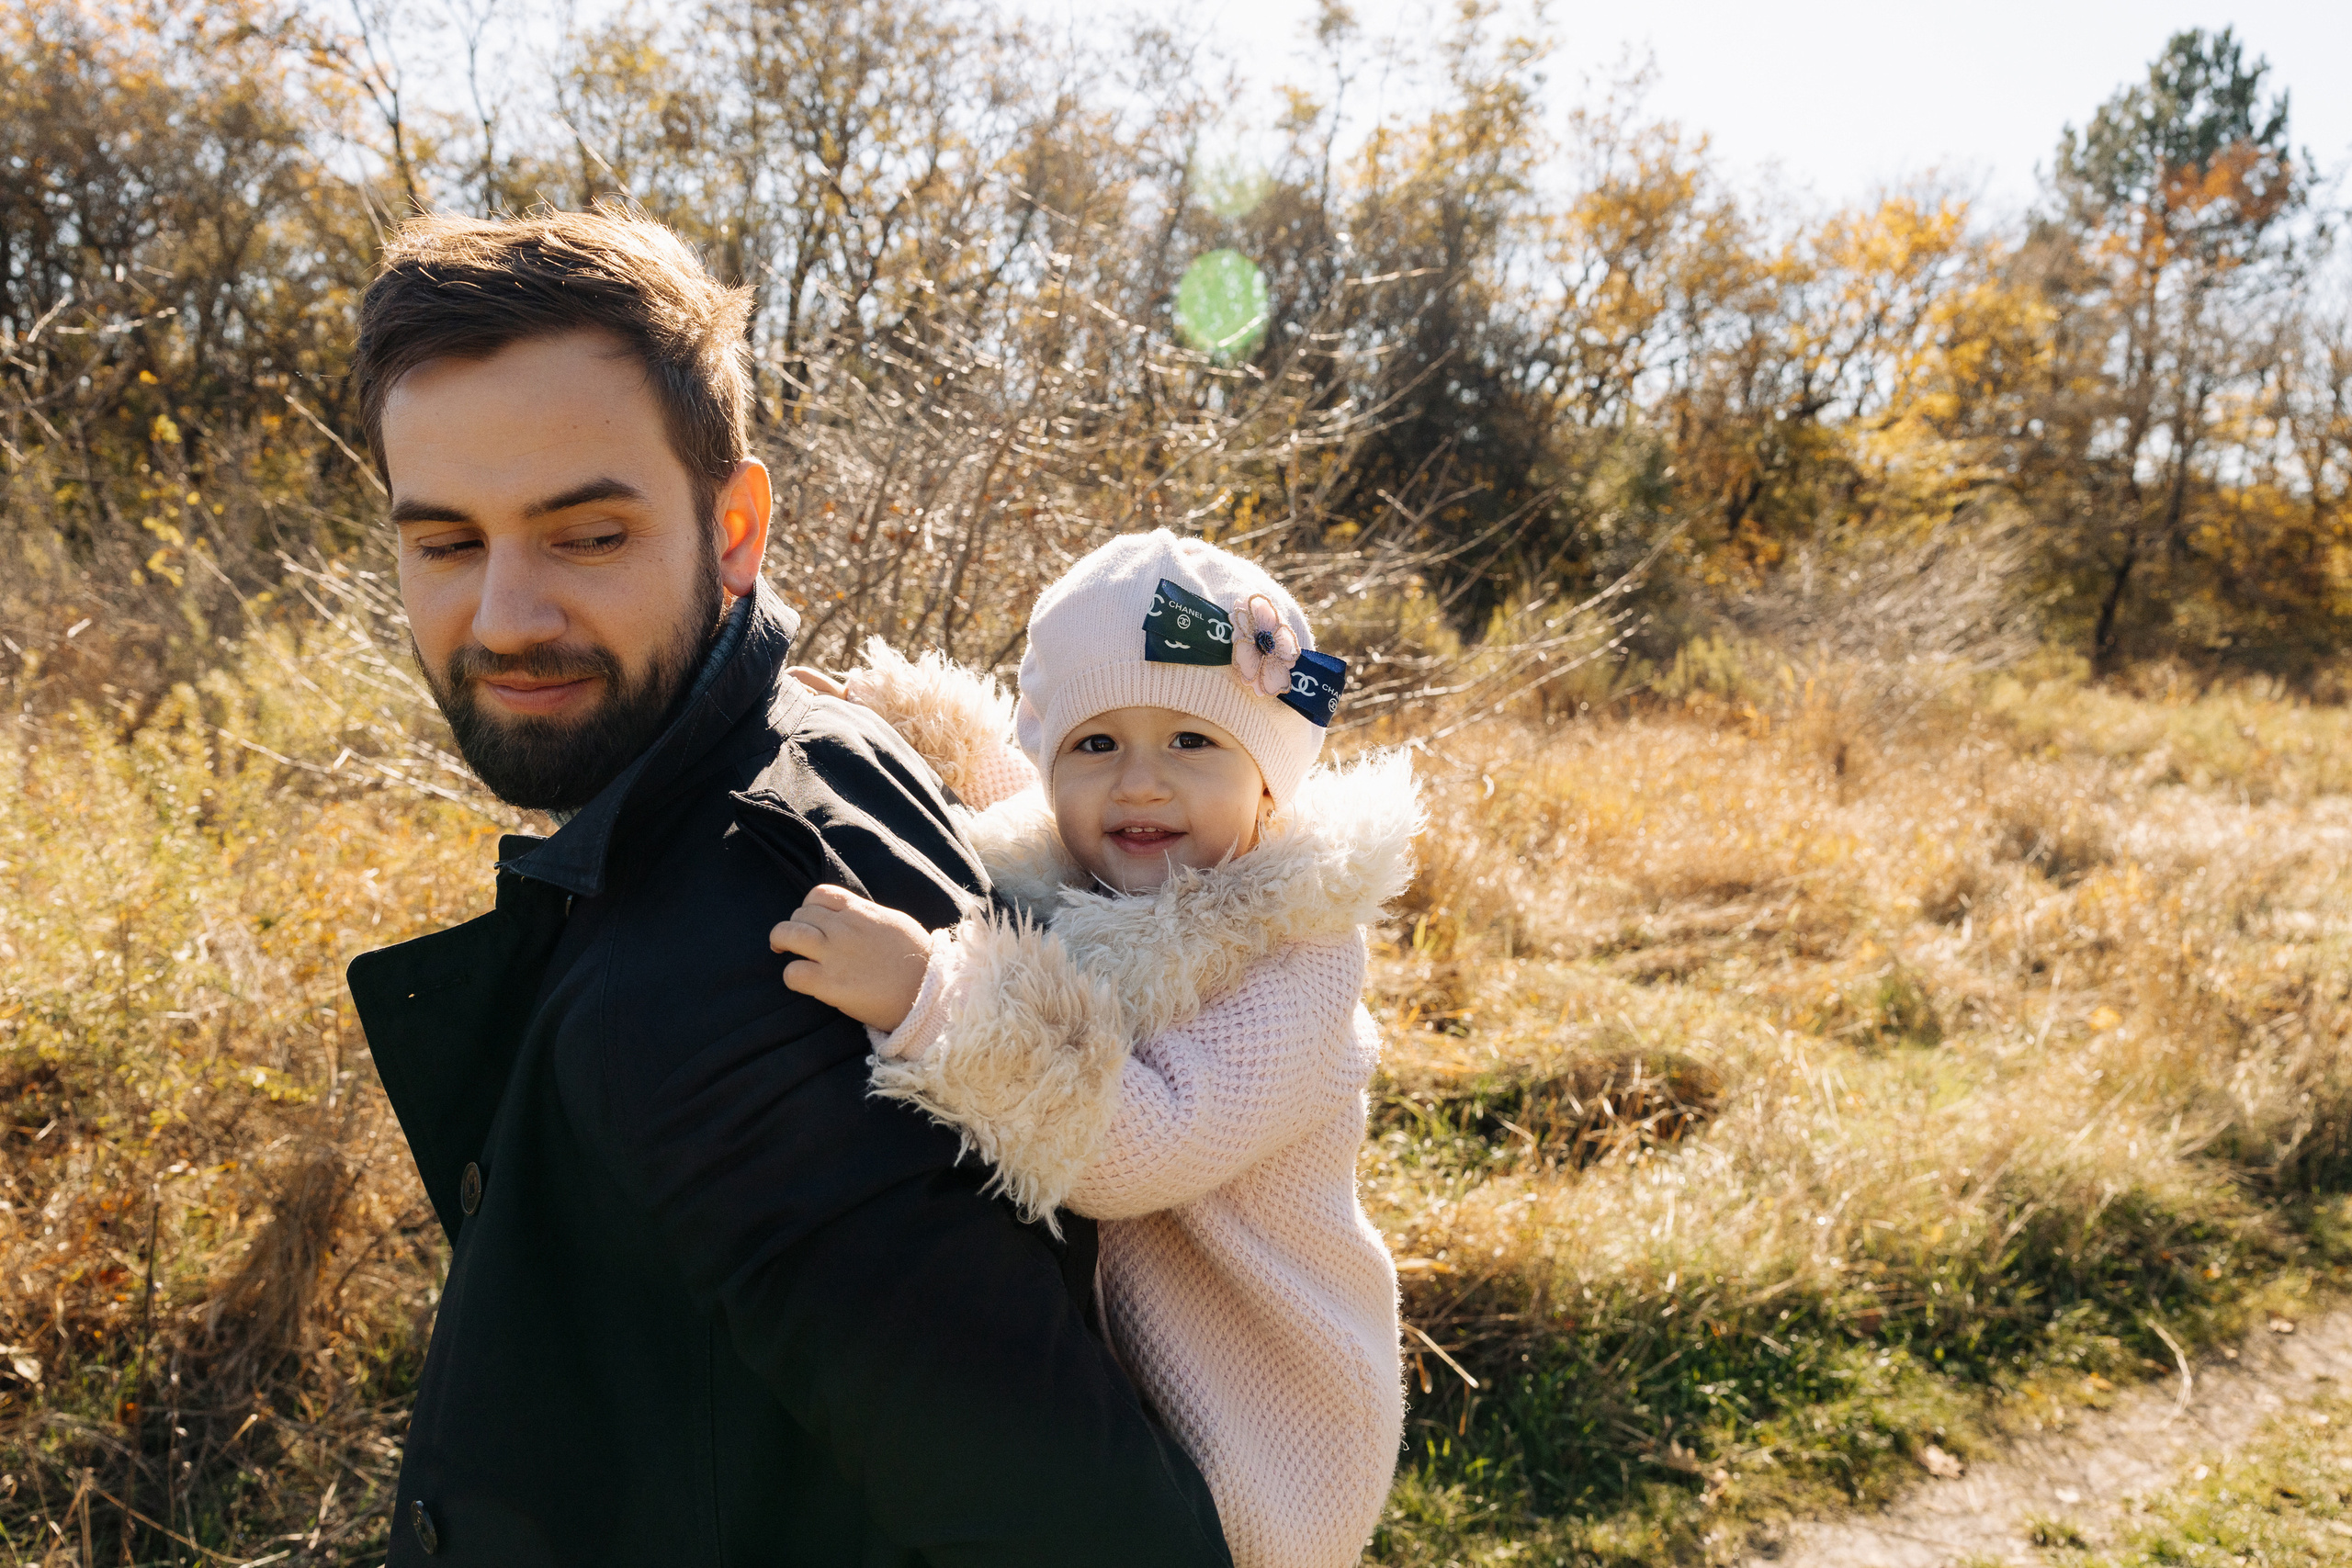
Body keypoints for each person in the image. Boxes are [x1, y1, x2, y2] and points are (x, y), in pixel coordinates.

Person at [341, 209, 1232, 1567]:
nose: (507, 616)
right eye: (447, 544)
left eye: (587, 535)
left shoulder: (730, 957)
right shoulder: (820, 741)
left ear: (736, 527)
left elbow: (1088, 1533)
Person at [770, 532, 1419, 1568]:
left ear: (1270, 783)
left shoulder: (1294, 956)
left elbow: (1137, 1149)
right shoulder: (1092, 866)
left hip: (1263, 1420)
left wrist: (933, 997)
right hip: (1116, 1391)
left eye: (1192, 742)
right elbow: (1001, 792)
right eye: (1097, 744)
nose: (1140, 784)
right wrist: (886, 726)